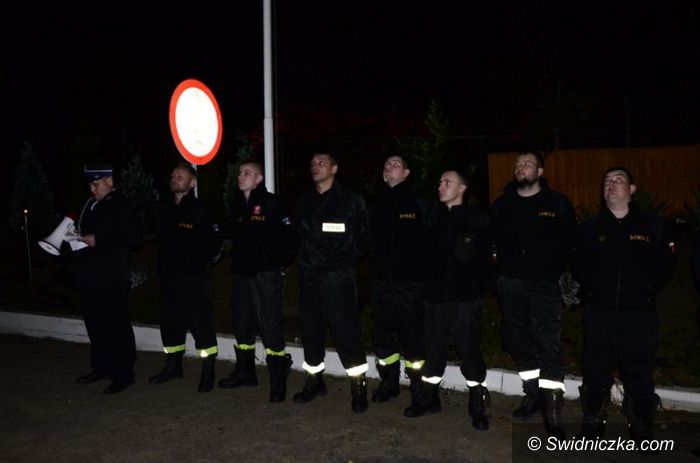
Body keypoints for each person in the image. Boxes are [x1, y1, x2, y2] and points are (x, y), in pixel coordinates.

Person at [574, 167, 675, 453]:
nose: (612, 184)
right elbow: (579, 265)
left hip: (639, 313)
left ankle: (641, 426)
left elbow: (666, 265)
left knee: (639, 371)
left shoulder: (652, 226)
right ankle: (593, 423)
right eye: (607, 181)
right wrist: (594, 292)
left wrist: (644, 290)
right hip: (599, 312)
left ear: (632, 189)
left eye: (619, 180)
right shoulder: (591, 227)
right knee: (595, 369)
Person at [490, 151, 575, 439]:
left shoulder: (556, 203)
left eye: (527, 164)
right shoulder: (503, 204)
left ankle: (552, 408)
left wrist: (558, 270)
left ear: (540, 172)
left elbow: (570, 242)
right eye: (517, 164)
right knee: (517, 340)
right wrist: (497, 273)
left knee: (547, 343)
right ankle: (533, 394)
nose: (520, 167)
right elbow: (491, 242)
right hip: (509, 284)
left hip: (543, 284)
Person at [404, 170, 492, 431]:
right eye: (440, 182)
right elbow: (420, 256)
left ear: (462, 188)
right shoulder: (431, 217)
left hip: (465, 300)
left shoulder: (478, 219)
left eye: (447, 182)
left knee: (469, 350)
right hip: (434, 299)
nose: (441, 186)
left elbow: (488, 260)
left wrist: (476, 288)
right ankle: (429, 399)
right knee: (432, 349)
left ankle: (477, 403)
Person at [293, 151, 372, 413]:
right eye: (312, 163)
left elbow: (364, 238)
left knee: (346, 332)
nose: (315, 167)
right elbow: (298, 234)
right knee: (311, 332)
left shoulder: (351, 199)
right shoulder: (304, 199)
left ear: (334, 169)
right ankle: (314, 381)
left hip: (338, 279)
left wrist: (343, 259)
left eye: (321, 163)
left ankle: (358, 386)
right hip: (309, 278)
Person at [219, 161, 299, 402]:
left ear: (259, 179)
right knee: (242, 323)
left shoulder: (272, 204)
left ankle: (278, 380)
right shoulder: (236, 205)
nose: (240, 176)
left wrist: (277, 265)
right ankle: (245, 373)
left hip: (265, 275)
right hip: (241, 274)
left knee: (269, 326)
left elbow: (291, 238)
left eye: (247, 173)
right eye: (240, 173)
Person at [148, 163, 222, 392]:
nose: (175, 178)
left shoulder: (201, 211)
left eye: (180, 176)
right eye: (173, 176)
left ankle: (208, 369)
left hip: (194, 280)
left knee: (201, 324)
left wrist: (201, 267)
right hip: (169, 279)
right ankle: (173, 365)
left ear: (192, 182)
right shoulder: (165, 209)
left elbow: (215, 245)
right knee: (170, 323)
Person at [368, 155, 431, 410]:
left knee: (413, 338)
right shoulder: (375, 203)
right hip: (381, 283)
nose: (389, 166)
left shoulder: (418, 202)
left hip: (410, 284)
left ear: (406, 173)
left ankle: (419, 390)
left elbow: (431, 241)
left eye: (395, 164)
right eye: (386, 164)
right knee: (384, 337)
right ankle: (389, 383)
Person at [74, 164, 141, 394]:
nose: (92, 189)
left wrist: (99, 239)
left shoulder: (122, 204)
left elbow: (133, 236)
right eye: (90, 185)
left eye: (96, 184)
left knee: (116, 325)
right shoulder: (90, 205)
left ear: (109, 182)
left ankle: (123, 374)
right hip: (90, 276)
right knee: (95, 324)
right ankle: (101, 367)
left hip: (111, 277)